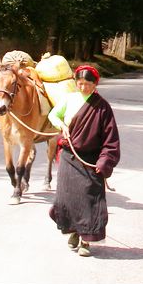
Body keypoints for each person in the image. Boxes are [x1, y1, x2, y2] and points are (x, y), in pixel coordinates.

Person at [48, 64, 120, 257]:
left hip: (90, 160)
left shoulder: (102, 107)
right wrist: (62, 125)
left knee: (89, 199)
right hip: (69, 156)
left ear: (95, 84)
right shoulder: (69, 99)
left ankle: (86, 241)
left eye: (87, 84)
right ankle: (73, 231)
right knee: (67, 197)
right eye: (79, 83)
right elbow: (53, 114)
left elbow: (110, 138)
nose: (83, 87)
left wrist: (105, 161)